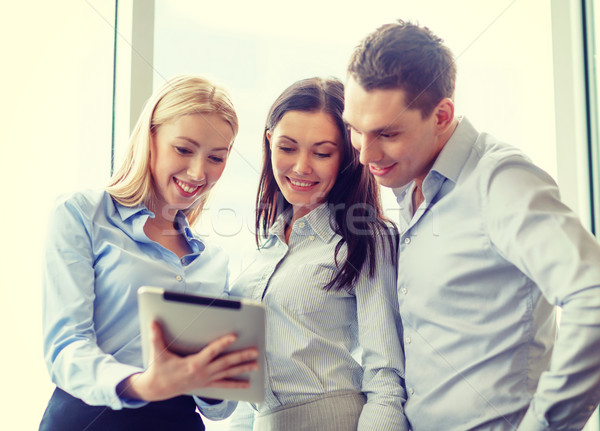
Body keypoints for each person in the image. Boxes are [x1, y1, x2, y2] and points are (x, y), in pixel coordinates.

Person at [343, 19, 600, 431]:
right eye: (356, 130)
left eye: (387, 134)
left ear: (442, 115)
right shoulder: (410, 187)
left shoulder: (500, 180)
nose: (365, 153)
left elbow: (593, 293)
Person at [40, 75, 259, 431]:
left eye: (216, 157)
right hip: (89, 419)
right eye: (184, 149)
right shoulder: (81, 214)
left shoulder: (213, 261)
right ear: (151, 138)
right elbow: (65, 347)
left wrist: (218, 378)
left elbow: (220, 409)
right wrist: (143, 385)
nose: (198, 172)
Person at [227, 77, 408, 430]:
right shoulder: (266, 246)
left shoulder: (368, 239)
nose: (301, 167)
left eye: (322, 153)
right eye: (287, 148)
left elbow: (386, 379)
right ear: (269, 142)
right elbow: (246, 389)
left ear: (347, 157)